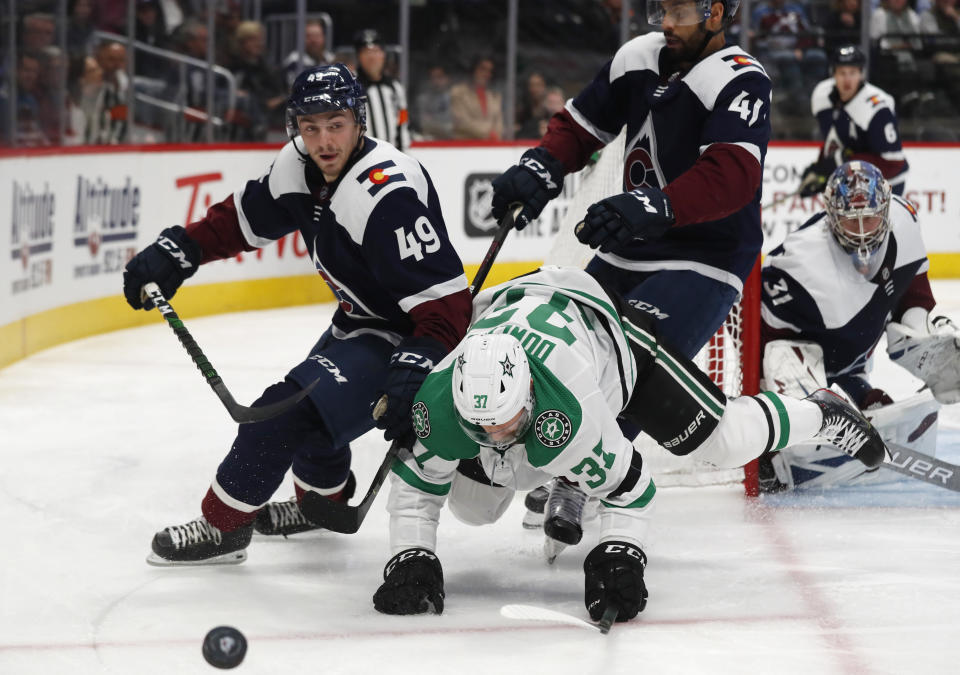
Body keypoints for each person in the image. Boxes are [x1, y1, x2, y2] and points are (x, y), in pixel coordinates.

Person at [371, 266, 887, 620]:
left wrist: (620, 554)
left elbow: (631, 486)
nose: (496, 437)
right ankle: (567, 476)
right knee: (476, 508)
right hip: (521, 322)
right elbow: (418, 487)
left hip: (611, 340)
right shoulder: (441, 406)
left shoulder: (570, 407)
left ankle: (820, 413)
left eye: (505, 423)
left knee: (723, 442)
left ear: (530, 393)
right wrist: (411, 556)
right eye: (482, 428)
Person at [121, 63, 472, 565]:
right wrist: (181, 250)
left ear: (359, 122)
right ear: (296, 128)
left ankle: (224, 529)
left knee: (280, 415)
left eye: (335, 124)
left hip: (403, 335)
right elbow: (243, 219)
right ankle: (320, 504)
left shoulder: (386, 195)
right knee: (314, 405)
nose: (324, 140)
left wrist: (418, 364)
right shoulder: (298, 165)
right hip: (359, 321)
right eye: (311, 127)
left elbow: (448, 306)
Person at [491, 0, 769, 362]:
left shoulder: (741, 77)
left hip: (705, 256)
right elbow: (582, 125)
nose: (666, 23)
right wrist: (543, 165)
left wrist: (658, 204)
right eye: (661, 10)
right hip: (629, 248)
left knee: (629, 375)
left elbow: (731, 176)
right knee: (558, 356)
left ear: (714, 13)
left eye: (679, 13)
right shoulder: (637, 57)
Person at [759, 161, 960, 491]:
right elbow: (763, 337)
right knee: (784, 360)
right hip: (809, 364)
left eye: (870, 218)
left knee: (934, 334)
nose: (864, 231)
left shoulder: (905, 219)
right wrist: (774, 406)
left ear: (886, 207)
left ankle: (857, 399)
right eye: (852, 222)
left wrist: (933, 337)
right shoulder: (798, 263)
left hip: (852, 361)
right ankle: (791, 445)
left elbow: (915, 297)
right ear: (831, 216)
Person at [800, 45, 909, 198]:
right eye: (842, 73)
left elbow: (893, 164)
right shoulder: (822, 96)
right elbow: (835, 139)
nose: (847, 79)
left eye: (853, 73)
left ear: (861, 74)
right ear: (833, 74)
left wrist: (843, 163)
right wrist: (819, 169)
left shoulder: (877, 108)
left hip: (884, 184)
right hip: (850, 183)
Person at [354, 29, 410, 152]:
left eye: (376, 51)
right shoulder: (351, 88)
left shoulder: (395, 88)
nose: (372, 57)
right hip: (362, 158)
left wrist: (404, 153)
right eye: (366, 52)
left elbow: (403, 119)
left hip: (392, 155)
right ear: (359, 56)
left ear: (383, 54)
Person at [450, 56, 503, 140]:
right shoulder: (458, 93)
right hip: (464, 146)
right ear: (473, 70)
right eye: (483, 69)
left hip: (491, 147)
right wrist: (489, 133)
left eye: (490, 71)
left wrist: (496, 135)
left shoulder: (494, 96)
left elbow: (499, 124)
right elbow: (461, 122)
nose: (486, 74)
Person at [283, 20, 335, 88]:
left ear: (323, 38)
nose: (313, 40)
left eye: (317, 36)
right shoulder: (294, 61)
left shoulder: (332, 59)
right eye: (309, 36)